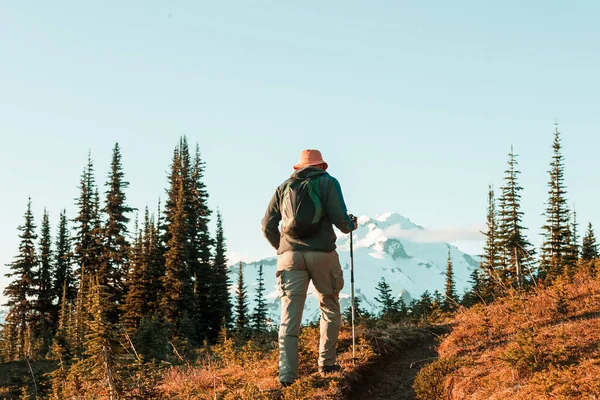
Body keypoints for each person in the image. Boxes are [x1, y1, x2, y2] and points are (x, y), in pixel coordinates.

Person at [262, 149, 358, 387]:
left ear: (298, 167)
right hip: (323, 254)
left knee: (289, 317)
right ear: (322, 166)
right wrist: (351, 223)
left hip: (289, 258)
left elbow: (266, 225)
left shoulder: (284, 187)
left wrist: (283, 247)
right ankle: (327, 363)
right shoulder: (328, 182)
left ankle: (287, 376)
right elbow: (342, 222)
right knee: (329, 305)